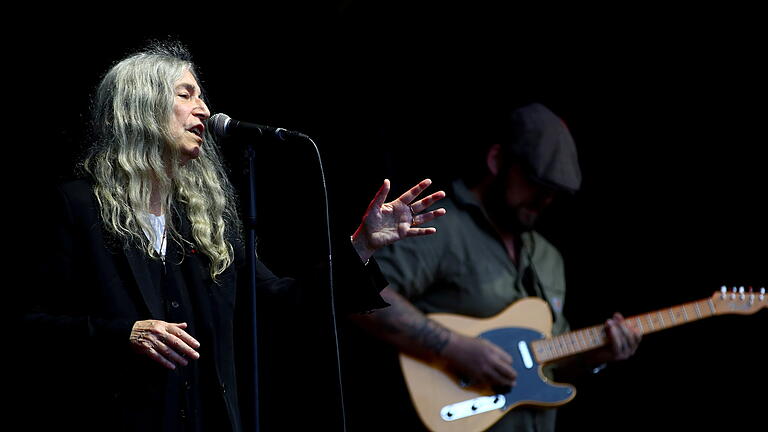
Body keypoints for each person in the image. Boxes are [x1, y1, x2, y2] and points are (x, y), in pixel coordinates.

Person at [15, 41, 446, 432]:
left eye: (201, 96)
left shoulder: (204, 223)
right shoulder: (77, 207)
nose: (203, 110)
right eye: (185, 95)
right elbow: (30, 328)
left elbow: (281, 304)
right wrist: (123, 334)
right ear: (139, 106)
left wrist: (362, 245)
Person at [346, 103, 642, 431]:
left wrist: (593, 357)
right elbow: (358, 296)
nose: (544, 199)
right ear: (497, 161)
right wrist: (455, 348)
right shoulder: (442, 225)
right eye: (535, 182)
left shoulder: (548, 257)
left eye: (554, 191)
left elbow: (543, 365)